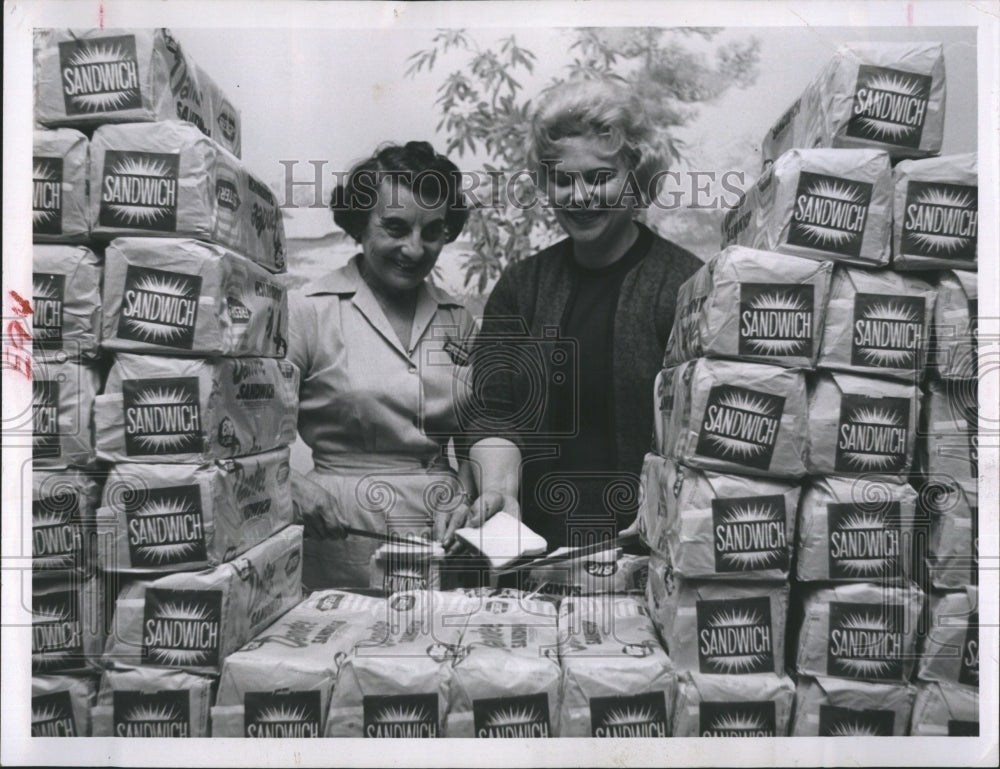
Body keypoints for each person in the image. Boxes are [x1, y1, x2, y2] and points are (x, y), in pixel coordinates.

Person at [449, 77, 703, 552]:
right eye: (563, 179)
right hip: (535, 550)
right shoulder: (522, 286)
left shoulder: (685, 284)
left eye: (599, 177)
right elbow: (494, 410)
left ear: (636, 175)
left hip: (652, 549)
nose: (580, 196)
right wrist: (501, 492)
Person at [287, 141, 476, 589]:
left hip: (443, 531)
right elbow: (250, 436)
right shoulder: (307, 310)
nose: (415, 249)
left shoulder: (459, 319)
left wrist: (466, 496)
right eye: (395, 227)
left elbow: (475, 438)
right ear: (359, 224)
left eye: (433, 231)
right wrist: (292, 484)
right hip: (341, 528)